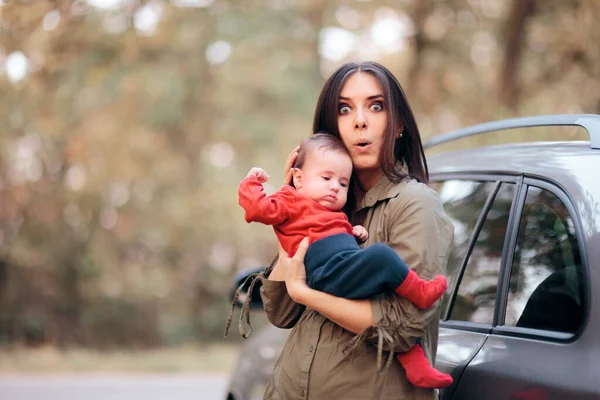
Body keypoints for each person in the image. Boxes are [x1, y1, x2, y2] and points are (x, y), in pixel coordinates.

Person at [240, 61, 454, 399]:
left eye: (376, 106)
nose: (359, 121)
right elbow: (281, 313)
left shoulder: (415, 204)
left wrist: (307, 294)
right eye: (344, 109)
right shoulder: (323, 203)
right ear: (330, 131)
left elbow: (401, 327)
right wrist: (291, 210)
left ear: (398, 125)